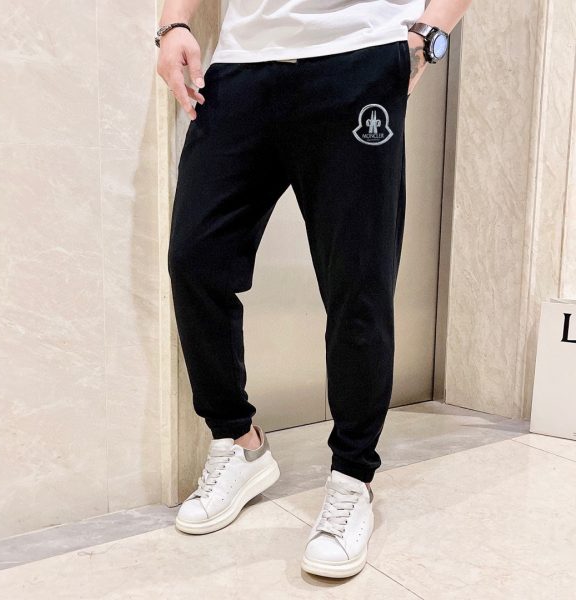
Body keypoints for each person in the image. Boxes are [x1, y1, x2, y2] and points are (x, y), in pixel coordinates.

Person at [157, 0, 472, 579]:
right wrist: (174, 23)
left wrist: (430, 37)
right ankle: (238, 442)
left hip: (359, 58)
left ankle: (352, 477)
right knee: (195, 261)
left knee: (358, 283)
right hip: (241, 67)